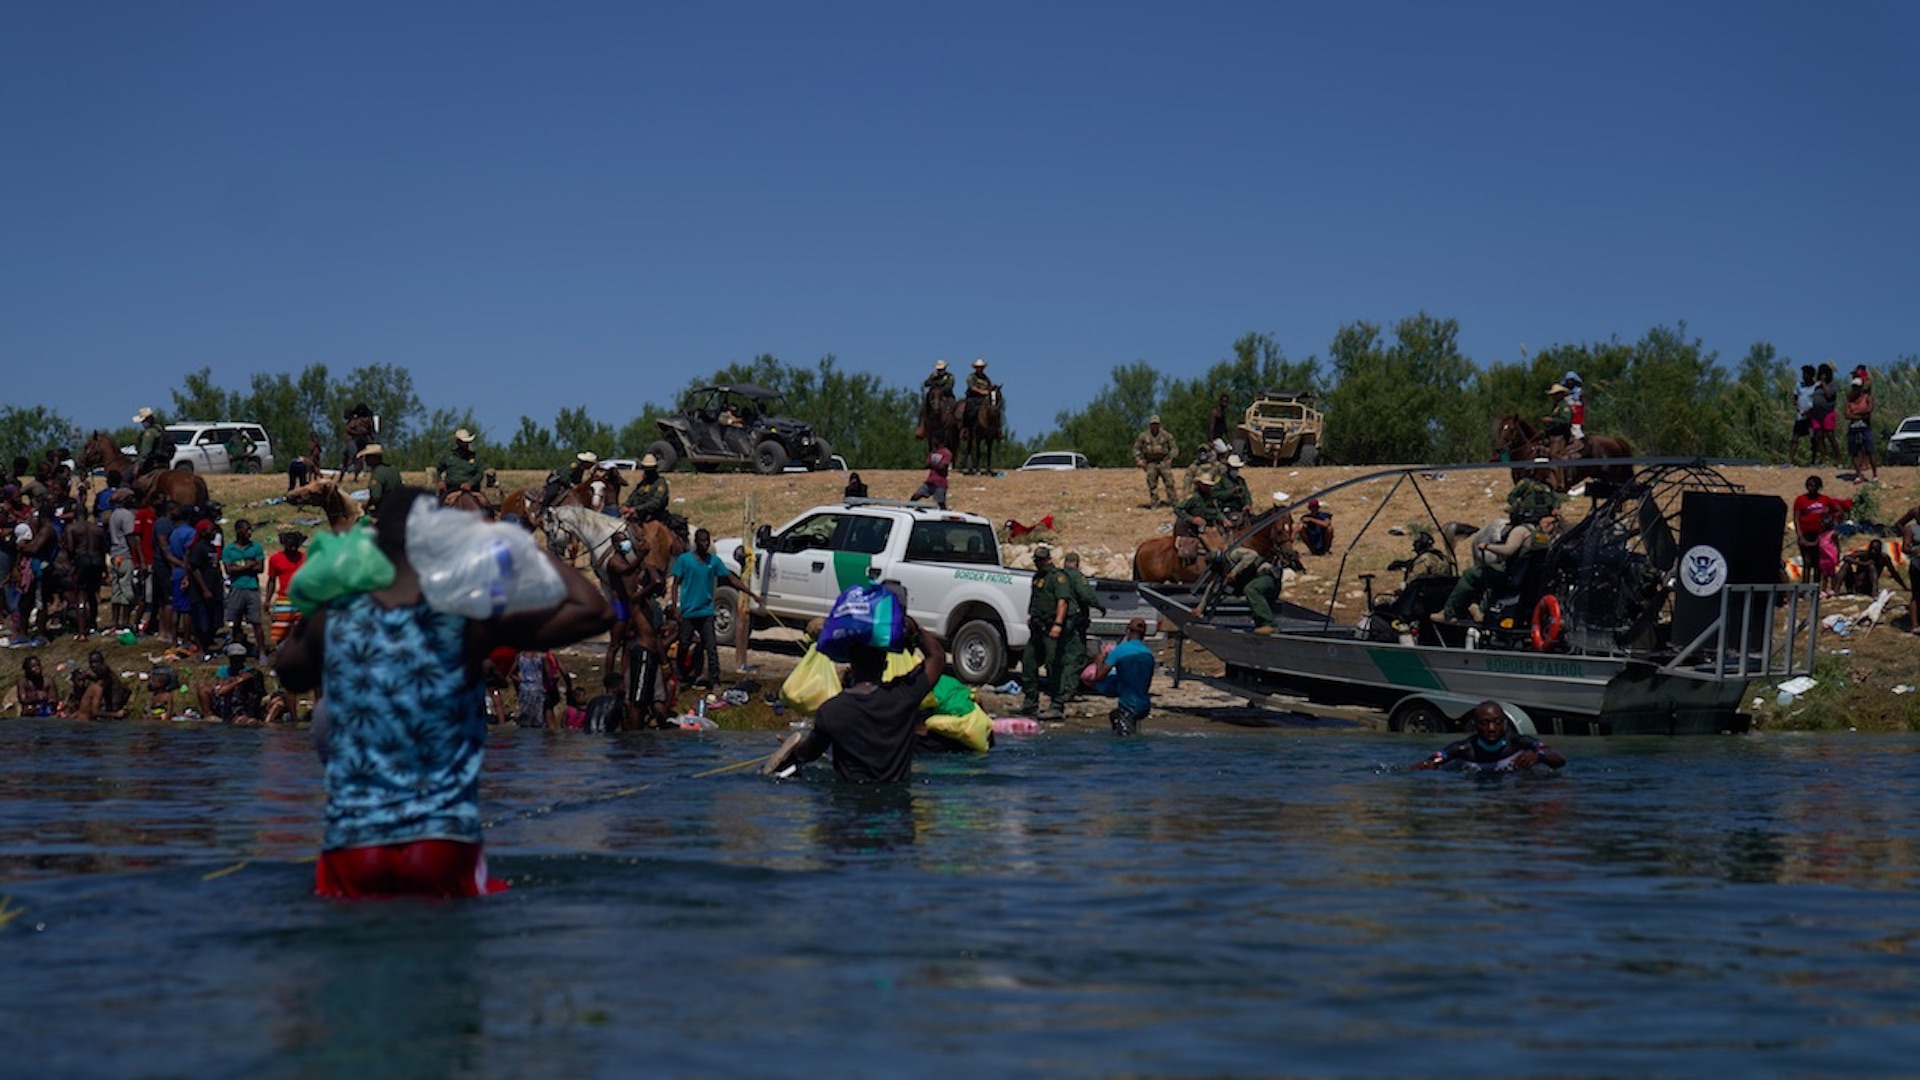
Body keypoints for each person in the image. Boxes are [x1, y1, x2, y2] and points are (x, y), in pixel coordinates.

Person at [273, 486, 614, 898]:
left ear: (376, 542)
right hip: (441, 845)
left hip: (353, 847)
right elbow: (594, 610)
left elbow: (288, 674)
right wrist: (511, 543)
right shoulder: (465, 618)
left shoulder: (333, 616)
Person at [764, 613, 945, 782]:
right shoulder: (904, 696)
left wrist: (793, 749)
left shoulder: (831, 711)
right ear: (885, 663)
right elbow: (936, 656)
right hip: (897, 806)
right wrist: (912, 628)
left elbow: (809, 753)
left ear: (851, 663)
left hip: (847, 808)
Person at [669, 527, 758, 689]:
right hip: (688, 611)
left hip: (706, 611)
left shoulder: (714, 562)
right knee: (683, 644)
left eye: (707, 541)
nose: (705, 544)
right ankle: (681, 677)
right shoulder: (684, 560)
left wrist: (750, 593)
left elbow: (731, 579)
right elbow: (675, 584)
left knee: (711, 647)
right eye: (702, 541)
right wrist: (675, 607)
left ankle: (714, 679)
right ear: (696, 542)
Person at [1439, 514, 1559, 624]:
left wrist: (1487, 546)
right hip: (1528, 579)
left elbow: (1508, 549)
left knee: (1470, 574)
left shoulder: (1521, 531)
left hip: (1511, 576)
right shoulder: (1542, 536)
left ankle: (1448, 613)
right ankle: (1477, 606)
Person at [1412, 701, 1567, 772]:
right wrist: (1427, 765)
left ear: (1505, 723)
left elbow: (1558, 758)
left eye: (1497, 722)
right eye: (1484, 723)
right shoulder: (1463, 749)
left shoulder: (1519, 743)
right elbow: (1432, 761)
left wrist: (1539, 756)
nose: (1491, 728)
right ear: (1475, 725)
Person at [1018, 545, 1076, 720]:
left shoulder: (1057, 577)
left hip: (1051, 627)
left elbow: (1062, 602)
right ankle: (1030, 703)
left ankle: (1057, 704)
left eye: (1041, 560)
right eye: (1036, 560)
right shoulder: (1037, 577)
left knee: (1053, 665)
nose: (1038, 563)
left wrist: (1058, 624)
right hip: (1037, 627)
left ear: (1048, 559)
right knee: (1028, 663)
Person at [1094, 617, 1156, 736]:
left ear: (1128, 632)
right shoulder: (1149, 654)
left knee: (1125, 741)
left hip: (1128, 706)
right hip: (1144, 706)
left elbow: (1099, 677)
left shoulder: (1119, 651)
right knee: (1114, 715)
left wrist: (1099, 661)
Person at [1057, 551, 1100, 711]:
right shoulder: (1077, 577)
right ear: (1076, 563)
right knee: (1076, 655)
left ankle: (1058, 688)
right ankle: (1069, 691)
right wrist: (1098, 605)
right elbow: (1085, 595)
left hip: (1057, 622)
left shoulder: (1058, 576)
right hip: (1073, 622)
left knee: (1060, 655)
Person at [1792, 475, 1849, 596]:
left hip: (1822, 535)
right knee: (1807, 562)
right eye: (1809, 485)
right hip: (1806, 533)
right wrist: (1800, 535)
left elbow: (1838, 510)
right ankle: (1805, 588)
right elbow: (1796, 517)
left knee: (1819, 563)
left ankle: (1817, 588)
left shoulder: (1825, 499)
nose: (1811, 488)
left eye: (1813, 485)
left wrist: (1830, 519)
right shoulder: (1801, 500)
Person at [222, 518, 267, 656]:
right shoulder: (229, 549)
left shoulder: (256, 547)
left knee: (256, 621)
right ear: (238, 531)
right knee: (236, 621)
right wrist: (248, 566)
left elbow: (260, 568)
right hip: (236, 587)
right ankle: (237, 649)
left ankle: (261, 651)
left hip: (252, 588)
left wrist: (239, 567)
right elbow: (229, 570)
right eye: (246, 530)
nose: (249, 533)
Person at [1218, 544, 1285, 633]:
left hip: (1268, 577)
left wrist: (1234, 571)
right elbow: (1213, 588)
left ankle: (1269, 624)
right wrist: (1200, 608)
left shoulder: (1233, 554)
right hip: (1264, 584)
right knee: (1256, 602)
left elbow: (1252, 555)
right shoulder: (1224, 571)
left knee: (1250, 589)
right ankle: (1264, 626)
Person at [198, 641, 266, 725]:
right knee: (203, 688)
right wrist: (233, 681)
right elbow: (219, 688)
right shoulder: (223, 670)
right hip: (224, 698)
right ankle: (209, 715)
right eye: (234, 658)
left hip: (239, 702)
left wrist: (235, 682)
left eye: (239, 658)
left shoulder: (249, 673)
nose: (236, 661)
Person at [1171, 470, 1223, 566]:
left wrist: (1223, 518)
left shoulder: (1210, 497)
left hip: (1209, 525)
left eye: (1209, 486)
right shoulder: (1193, 497)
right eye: (1205, 485)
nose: (1207, 488)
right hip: (1194, 528)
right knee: (1214, 548)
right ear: (1200, 485)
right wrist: (1192, 519)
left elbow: (1215, 511)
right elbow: (1178, 509)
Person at [265, 529, 307, 648]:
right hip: (284, 598)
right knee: (281, 632)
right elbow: (271, 580)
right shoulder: (275, 559)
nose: (293, 549)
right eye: (290, 546)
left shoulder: (305, 558)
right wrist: (267, 600)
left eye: (295, 546)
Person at [1132, 416, 1178, 509]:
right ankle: (1154, 503)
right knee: (1152, 484)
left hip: (1163, 461)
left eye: (1156, 424)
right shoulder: (1143, 436)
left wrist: (1170, 459)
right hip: (1150, 462)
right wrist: (1138, 459)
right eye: (1153, 424)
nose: (1154, 426)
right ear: (1150, 425)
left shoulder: (1166, 435)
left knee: (1169, 482)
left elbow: (1174, 448)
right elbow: (1136, 448)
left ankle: (1173, 502)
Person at [1837, 539, 1905, 598]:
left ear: (1880, 550)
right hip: (1854, 585)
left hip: (1868, 586)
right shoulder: (1864, 554)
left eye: (1875, 550)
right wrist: (1862, 563)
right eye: (1871, 549)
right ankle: (1836, 590)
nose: (1873, 551)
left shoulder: (1884, 558)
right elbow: (1846, 558)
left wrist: (1904, 586)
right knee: (1846, 565)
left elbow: (1893, 572)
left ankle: (1874, 592)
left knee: (1871, 566)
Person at [435, 429, 487, 501]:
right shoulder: (448, 456)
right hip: (451, 489)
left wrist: (470, 483)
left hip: (472, 490)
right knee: (438, 505)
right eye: (463, 442)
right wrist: (440, 481)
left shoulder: (475, 457)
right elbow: (438, 469)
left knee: (485, 504)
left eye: (467, 442)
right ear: (458, 442)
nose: (465, 444)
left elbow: (480, 473)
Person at [1844, 373, 1879, 482]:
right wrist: (1860, 415)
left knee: (1870, 450)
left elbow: (1868, 411)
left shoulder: (1867, 398)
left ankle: (1874, 474)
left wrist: (1855, 414)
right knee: (1854, 451)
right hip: (1853, 428)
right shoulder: (1849, 400)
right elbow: (1846, 414)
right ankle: (1858, 474)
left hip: (1865, 428)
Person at [622, 453, 671, 524]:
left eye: (650, 469)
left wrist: (637, 509)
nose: (648, 471)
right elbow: (634, 496)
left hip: (655, 517)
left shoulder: (660, 483)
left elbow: (656, 502)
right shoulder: (642, 483)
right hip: (638, 516)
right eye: (646, 469)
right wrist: (626, 505)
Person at [1808, 363, 1840, 467]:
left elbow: (1829, 394)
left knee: (1831, 436)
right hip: (1816, 414)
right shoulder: (1816, 386)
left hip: (1827, 412)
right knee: (1819, 437)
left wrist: (1823, 383)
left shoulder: (1832, 385)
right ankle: (1823, 460)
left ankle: (1839, 460)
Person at [362, 445, 403, 515]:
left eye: (368, 457)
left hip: (386, 510)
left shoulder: (377, 473)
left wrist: (365, 506)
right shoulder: (393, 468)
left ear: (374, 458)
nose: (365, 459)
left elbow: (376, 497)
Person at [132, 407, 171, 481]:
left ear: (149, 419)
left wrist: (138, 465)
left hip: (150, 464)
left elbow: (145, 452)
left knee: (125, 478)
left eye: (144, 421)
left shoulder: (149, 433)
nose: (142, 423)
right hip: (164, 463)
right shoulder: (160, 429)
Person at [1541, 384, 1579, 458]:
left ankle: (1558, 468)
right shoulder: (1556, 406)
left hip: (1561, 435)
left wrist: (1551, 420)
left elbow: (1565, 421)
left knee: (1554, 454)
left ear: (1561, 395)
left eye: (1555, 394)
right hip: (1552, 433)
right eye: (1553, 394)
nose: (1553, 396)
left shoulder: (1564, 406)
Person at [1214, 454, 1254, 523]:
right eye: (1233, 468)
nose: (1235, 471)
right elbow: (1215, 494)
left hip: (1240, 509)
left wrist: (1248, 504)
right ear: (1228, 467)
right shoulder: (1221, 479)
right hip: (1227, 509)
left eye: (1237, 468)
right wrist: (1232, 492)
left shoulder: (1240, 480)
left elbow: (1246, 493)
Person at [911, 445, 952, 509]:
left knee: (940, 502)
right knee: (916, 495)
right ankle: (908, 507)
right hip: (930, 481)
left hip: (940, 482)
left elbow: (942, 467)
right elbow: (927, 464)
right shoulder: (933, 452)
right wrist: (935, 465)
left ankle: (945, 513)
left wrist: (932, 464)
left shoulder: (946, 453)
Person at [1790, 365, 1816, 467]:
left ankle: (1813, 461)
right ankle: (1790, 461)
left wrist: (1809, 410)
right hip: (1800, 416)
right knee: (1795, 438)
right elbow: (1795, 399)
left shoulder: (1815, 387)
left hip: (1811, 416)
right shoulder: (1799, 385)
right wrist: (1798, 407)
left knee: (1813, 439)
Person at [342, 403, 376, 479]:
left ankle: (354, 476)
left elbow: (371, 431)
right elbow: (349, 429)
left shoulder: (358, 420)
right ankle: (351, 475)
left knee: (357, 459)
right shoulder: (360, 420)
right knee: (354, 459)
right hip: (357, 440)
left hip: (360, 440)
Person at [963, 358, 994, 429]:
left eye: (981, 367)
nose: (980, 369)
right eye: (978, 367)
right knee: (970, 411)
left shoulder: (986, 378)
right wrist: (982, 392)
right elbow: (972, 387)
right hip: (973, 397)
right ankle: (968, 427)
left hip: (984, 398)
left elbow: (990, 387)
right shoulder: (972, 376)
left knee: (994, 410)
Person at [1561, 371, 1586, 439]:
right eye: (1568, 380)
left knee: (1578, 436)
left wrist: (1583, 420)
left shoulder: (1580, 391)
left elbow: (1584, 406)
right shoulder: (1564, 392)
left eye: (1571, 380)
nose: (1570, 382)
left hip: (1577, 417)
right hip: (1567, 417)